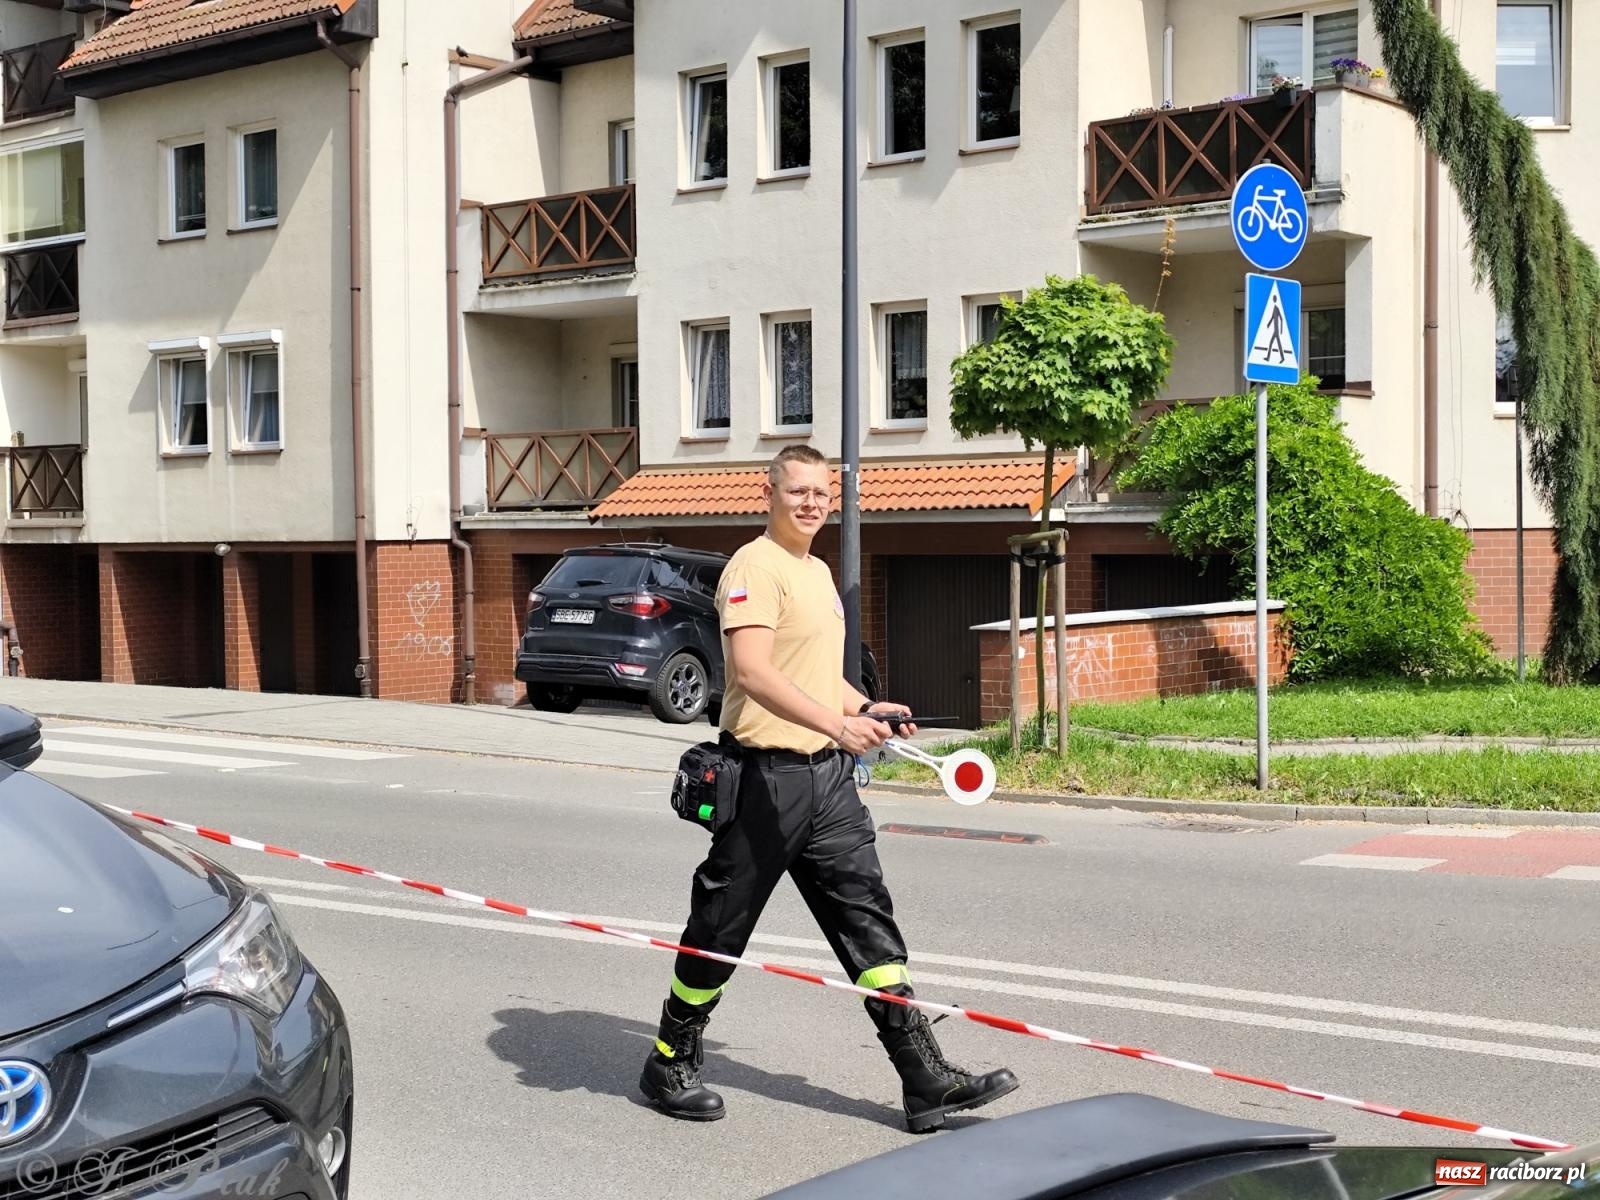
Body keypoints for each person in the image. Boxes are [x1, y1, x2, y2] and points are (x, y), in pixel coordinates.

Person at [639, 444, 1019, 1133]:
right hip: (765, 780)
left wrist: (862, 711)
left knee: (868, 922)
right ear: (771, 492)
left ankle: (923, 1080)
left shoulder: (814, 572)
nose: (812, 502)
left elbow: (815, 677)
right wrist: (837, 727)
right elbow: (753, 672)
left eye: (822, 492)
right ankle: (669, 1058)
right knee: (720, 929)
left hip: (828, 784)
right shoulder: (755, 567)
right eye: (799, 491)